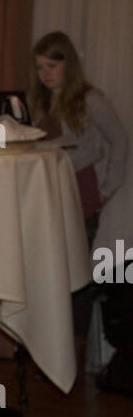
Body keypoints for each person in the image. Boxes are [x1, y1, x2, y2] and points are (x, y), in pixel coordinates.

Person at [29, 31, 128, 336]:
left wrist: (108, 190)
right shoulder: (44, 101)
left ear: (67, 64)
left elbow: (120, 142)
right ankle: (55, 348)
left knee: (78, 278)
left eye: (51, 66)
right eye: (40, 68)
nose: (45, 74)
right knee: (52, 278)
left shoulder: (90, 98)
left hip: (80, 196)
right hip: (49, 197)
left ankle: (76, 347)